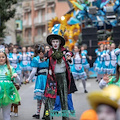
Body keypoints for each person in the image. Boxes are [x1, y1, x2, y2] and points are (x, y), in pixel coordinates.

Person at [43, 24, 71, 120]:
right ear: (51, 43)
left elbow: (70, 53)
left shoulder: (64, 51)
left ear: (59, 43)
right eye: (53, 41)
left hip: (62, 76)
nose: (55, 43)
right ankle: (48, 115)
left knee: (64, 98)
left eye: (57, 41)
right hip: (52, 78)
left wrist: (69, 56)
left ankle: (65, 116)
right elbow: (42, 59)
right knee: (49, 98)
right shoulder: (49, 53)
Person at [26, 45, 49, 119]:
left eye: (42, 52)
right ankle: (40, 113)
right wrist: (29, 79)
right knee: (41, 97)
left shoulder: (44, 59)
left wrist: (28, 79)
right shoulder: (40, 59)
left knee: (44, 98)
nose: (41, 54)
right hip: (42, 79)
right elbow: (34, 71)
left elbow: (33, 71)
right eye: (40, 52)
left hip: (43, 79)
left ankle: (46, 114)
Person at [0, 45, 21, 120]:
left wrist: (16, 76)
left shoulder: (10, 68)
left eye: (3, 57)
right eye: (0, 57)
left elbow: (19, 81)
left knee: (6, 115)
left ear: (6, 58)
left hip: (8, 93)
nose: (1, 59)